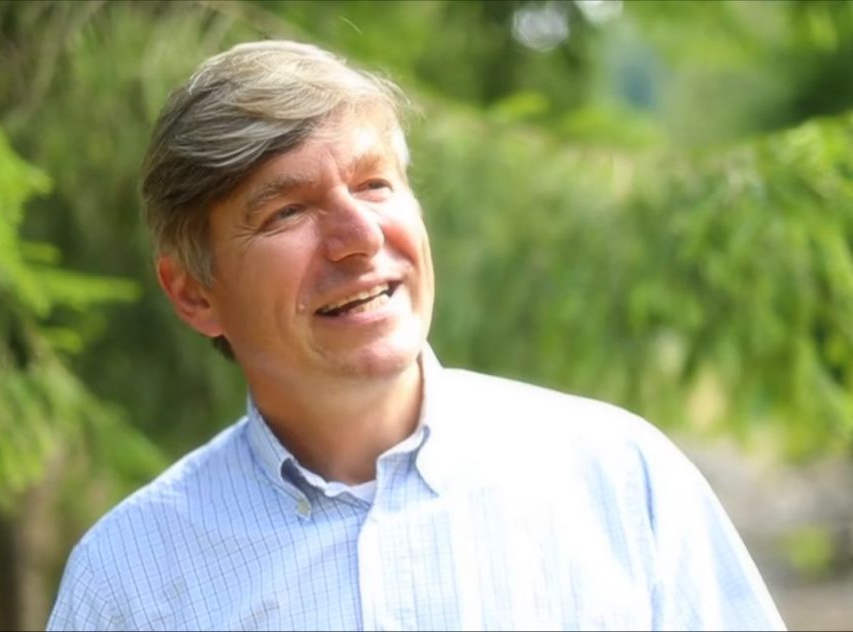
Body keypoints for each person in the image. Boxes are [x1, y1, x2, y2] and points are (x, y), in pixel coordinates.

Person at [47, 40, 785, 631]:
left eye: (374, 185)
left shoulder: (621, 482)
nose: (358, 238)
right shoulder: (129, 582)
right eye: (287, 213)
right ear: (192, 292)